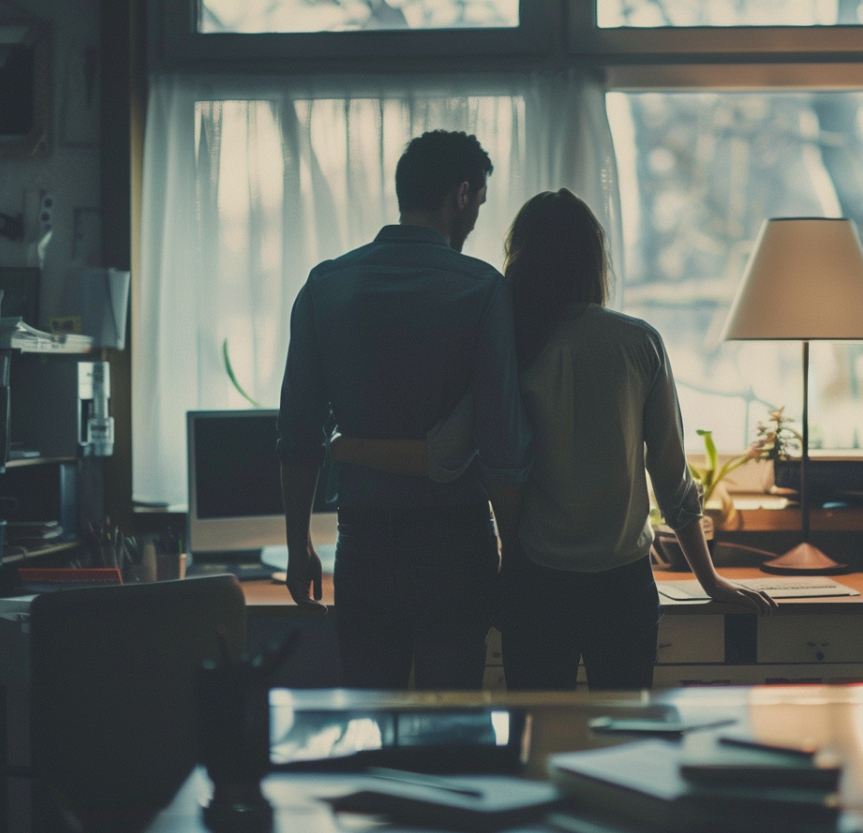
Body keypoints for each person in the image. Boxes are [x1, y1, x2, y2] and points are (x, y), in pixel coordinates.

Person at [331, 189, 772, 691]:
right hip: (624, 584)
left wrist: (348, 447)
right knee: (623, 740)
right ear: (595, 260)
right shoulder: (638, 341)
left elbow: (445, 454)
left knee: (535, 741)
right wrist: (710, 580)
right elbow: (672, 478)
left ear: (522, 258)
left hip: (536, 584)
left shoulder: (512, 346)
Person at [277, 130, 531, 691]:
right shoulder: (483, 289)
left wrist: (299, 546)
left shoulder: (326, 285)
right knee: (452, 733)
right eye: (479, 204)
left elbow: (297, 432)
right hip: (457, 544)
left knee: (372, 723)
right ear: (461, 194)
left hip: (363, 543)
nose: (474, 223)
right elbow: (502, 446)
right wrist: (514, 558)